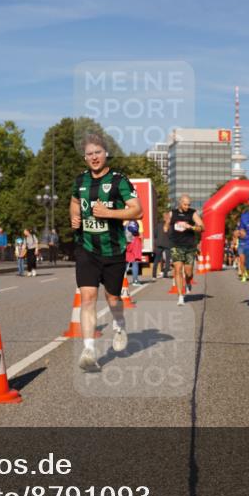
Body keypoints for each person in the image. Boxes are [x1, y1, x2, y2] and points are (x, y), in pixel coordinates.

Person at [69, 134, 143, 370]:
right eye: (89, 154)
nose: (94, 157)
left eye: (97, 152)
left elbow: (137, 211)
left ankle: (119, 324)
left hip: (113, 250)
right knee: (88, 297)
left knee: (112, 298)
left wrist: (109, 214)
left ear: (106, 153)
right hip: (86, 248)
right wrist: (74, 215)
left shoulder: (119, 180)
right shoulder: (80, 180)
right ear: (85, 157)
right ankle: (89, 350)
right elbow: (73, 201)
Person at [166, 195, 204, 306]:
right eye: (185, 204)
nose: (187, 206)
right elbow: (167, 224)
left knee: (189, 272)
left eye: (188, 204)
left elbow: (202, 227)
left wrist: (190, 227)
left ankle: (188, 282)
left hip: (189, 246)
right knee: (178, 270)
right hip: (176, 245)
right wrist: (166, 228)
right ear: (180, 203)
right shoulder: (172, 213)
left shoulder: (193, 213)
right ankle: (180, 296)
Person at [152, 211, 172, 279]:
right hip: (167, 244)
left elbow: (154, 234)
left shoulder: (158, 225)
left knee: (156, 259)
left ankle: (154, 275)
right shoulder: (170, 226)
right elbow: (170, 235)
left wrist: (157, 240)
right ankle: (165, 275)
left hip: (159, 243)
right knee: (167, 260)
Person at [125, 221, 143, 285]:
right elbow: (141, 235)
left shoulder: (125, 222)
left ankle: (122, 280)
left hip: (127, 242)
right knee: (135, 262)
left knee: (125, 262)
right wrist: (142, 244)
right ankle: (135, 281)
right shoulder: (138, 222)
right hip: (135, 241)